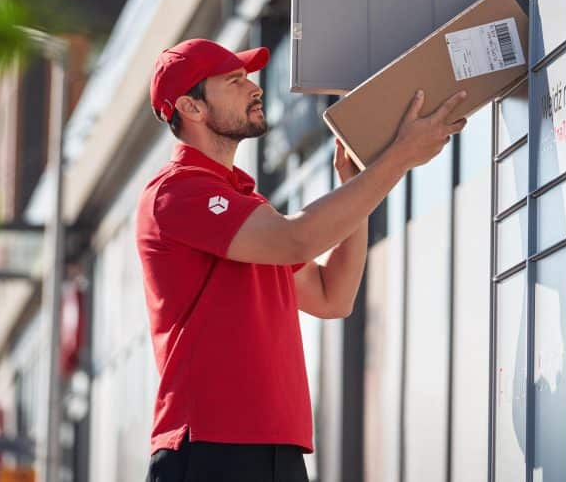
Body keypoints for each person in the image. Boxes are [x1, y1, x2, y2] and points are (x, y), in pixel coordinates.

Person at [136, 38, 467, 482]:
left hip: (276, 451)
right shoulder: (177, 193)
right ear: (191, 108)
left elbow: (334, 296)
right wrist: (397, 159)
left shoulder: (243, 204)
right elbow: (297, 240)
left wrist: (358, 185)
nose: (253, 87)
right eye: (234, 81)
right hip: (210, 448)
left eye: (247, 76)